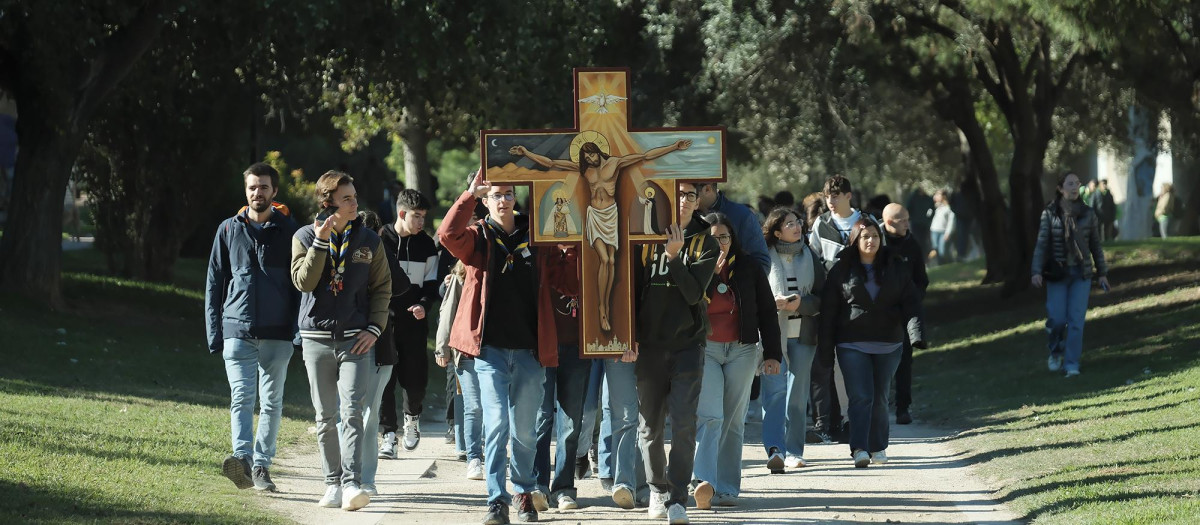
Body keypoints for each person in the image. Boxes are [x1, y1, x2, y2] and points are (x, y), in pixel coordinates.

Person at [439, 171, 568, 524]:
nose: (503, 200)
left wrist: (573, 244)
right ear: (485, 200)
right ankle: (497, 500)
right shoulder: (477, 237)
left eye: (508, 194)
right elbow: (447, 235)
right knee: (496, 424)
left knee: (525, 430)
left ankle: (524, 491)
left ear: (516, 198)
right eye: (495, 195)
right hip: (490, 351)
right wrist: (467, 195)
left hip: (530, 351)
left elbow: (566, 279)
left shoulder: (538, 236)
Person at [510, 139, 691, 331]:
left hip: (611, 214)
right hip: (594, 215)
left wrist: (674, 147)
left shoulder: (615, 163)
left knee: (611, 260)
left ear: (598, 152)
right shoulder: (584, 169)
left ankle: (605, 304)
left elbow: (645, 156)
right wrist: (526, 153)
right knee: (604, 259)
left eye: (592, 155)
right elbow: (551, 163)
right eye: (586, 157)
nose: (590, 159)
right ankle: (602, 308)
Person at [291, 170, 392, 510]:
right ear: (328, 202)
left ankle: (352, 483)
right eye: (346, 198)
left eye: (354, 196)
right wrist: (320, 242)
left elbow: (382, 288)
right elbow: (303, 282)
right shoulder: (304, 236)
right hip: (316, 339)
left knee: (352, 412)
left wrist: (374, 328)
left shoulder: (369, 240)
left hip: (355, 340)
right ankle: (331, 483)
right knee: (325, 416)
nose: (354, 203)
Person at [205, 162, 300, 492]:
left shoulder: (291, 232)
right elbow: (214, 283)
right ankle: (242, 459)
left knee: (272, 403)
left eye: (263, 187)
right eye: (252, 187)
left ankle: (262, 466)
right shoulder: (228, 230)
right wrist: (214, 332)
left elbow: (301, 284)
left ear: (274, 192)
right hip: (237, 330)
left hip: (278, 333)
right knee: (241, 398)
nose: (257, 192)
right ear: (245, 191)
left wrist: (297, 329)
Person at [633, 181, 719, 524]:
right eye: (678, 194)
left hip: (688, 345)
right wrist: (627, 336)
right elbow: (630, 289)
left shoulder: (706, 241)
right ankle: (657, 489)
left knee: (684, 425)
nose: (683, 201)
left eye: (690, 196)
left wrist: (673, 257)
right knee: (650, 426)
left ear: (697, 202)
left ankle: (678, 497)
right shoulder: (642, 234)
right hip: (649, 345)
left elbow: (694, 293)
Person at [691, 212, 782, 509]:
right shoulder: (694, 266)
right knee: (711, 416)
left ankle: (728, 487)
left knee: (732, 421)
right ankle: (704, 482)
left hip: (742, 350)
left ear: (733, 239)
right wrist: (708, 275)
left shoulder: (749, 267)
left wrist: (772, 354)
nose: (719, 243)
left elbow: (767, 311)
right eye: (713, 238)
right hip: (707, 349)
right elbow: (689, 303)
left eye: (724, 237)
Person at [820, 219, 925, 468]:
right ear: (855, 240)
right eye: (865, 236)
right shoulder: (840, 270)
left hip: (889, 344)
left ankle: (878, 446)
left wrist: (916, 335)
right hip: (851, 343)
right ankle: (859, 448)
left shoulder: (896, 266)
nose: (871, 241)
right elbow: (829, 313)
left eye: (875, 236)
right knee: (860, 396)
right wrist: (825, 349)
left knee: (879, 397)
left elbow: (911, 303)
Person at [808, 175, 878, 444]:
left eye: (836, 195)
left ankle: (854, 420)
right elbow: (814, 262)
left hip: (860, 304)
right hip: (829, 303)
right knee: (824, 362)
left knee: (853, 362)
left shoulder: (866, 223)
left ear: (849, 196)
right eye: (827, 196)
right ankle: (824, 422)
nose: (831, 201)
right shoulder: (820, 225)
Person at [759, 207, 824, 473]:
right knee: (774, 393)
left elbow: (822, 297)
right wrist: (771, 304)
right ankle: (775, 449)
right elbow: (753, 294)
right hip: (772, 336)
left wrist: (801, 303)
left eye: (798, 222)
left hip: (804, 334)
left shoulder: (811, 256)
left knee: (797, 396)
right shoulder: (763, 259)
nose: (797, 226)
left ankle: (794, 451)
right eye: (789, 224)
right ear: (776, 231)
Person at [377, 189, 439, 458]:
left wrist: (424, 305)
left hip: (414, 322)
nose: (421, 222)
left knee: (414, 380)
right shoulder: (380, 239)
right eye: (417, 216)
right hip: (382, 321)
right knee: (384, 380)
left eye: (424, 217)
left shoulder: (426, 245)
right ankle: (388, 435)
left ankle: (412, 420)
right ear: (402, 214)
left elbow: (432, 283)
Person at [1031, 172, 1110, 378]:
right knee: (1057, 319)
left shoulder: (1088, 213)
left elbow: (1095, 245)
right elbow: (1042, 244)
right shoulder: (1050, 213)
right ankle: (1055, 350)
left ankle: (1072, 364)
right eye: (1070, 183)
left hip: (1081, 274)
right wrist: (1036, 271)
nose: (1075, 187)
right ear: (1060, 188)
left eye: (1077, 183)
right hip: (1058, 273)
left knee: (1076, 321)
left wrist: (1102, 273)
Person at [356, 210, 412, 497]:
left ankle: (363, 478)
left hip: (379, 346)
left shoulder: (380, 254)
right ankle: (353, 477)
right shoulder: (348, 255)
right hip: (353, 343)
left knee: (366, 414)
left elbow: (401, 285)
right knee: (357, 415)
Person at [532, 244, 591, 511]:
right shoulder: (539, 248)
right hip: (543, 344)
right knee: (541, 419)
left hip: (579, 347)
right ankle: (538, 484)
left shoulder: (589, 248)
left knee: (570, 422)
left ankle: (564, 488)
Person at [436, 260, 486, 480]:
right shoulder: (461, 275)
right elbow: (448, 311)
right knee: (474, 406)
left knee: (496, 408)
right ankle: (474, 456)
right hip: (466, 350)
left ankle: (492, 452)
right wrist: (442, 348)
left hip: (497, 350)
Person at [881, 204, 929, 424]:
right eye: (903, 220)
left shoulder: (912, 244)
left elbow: (922, 278)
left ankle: (903, 407)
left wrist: (913, 299)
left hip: (904, 314)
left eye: (908, 219)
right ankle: (878, 406)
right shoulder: (876, 241)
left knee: (904, 362)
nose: (907, 224)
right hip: (879, 314)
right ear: (889, 222)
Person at [696, 183, 770, 273]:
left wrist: (729, 282)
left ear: (707, 189)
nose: (682, 199)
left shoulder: (742, 215)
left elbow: (762, 265)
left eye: (690, 192)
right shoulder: (682, 216)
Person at [929, 189, 955, 263]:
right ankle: (941, 264)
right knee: (936, 249)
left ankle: (949, 262)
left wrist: (948, 233)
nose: (936, 196)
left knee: (942, 250)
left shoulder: (948, 208)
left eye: (938, 194)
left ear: (944, 196)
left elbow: (951, 221)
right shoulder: (935, 206)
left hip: (943, 231)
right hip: (934, 230)